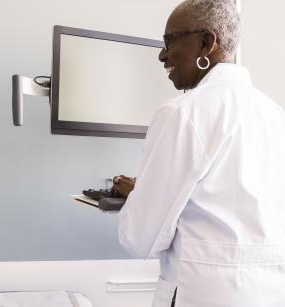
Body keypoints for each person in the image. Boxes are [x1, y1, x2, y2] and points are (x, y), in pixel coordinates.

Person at [113, 1, 285, 306]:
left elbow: (141, 239)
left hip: (201, 295)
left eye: (169, 41)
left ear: (206, 42)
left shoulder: (182, 113)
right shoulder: (275, 115)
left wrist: (141, 199)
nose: (162, 54)